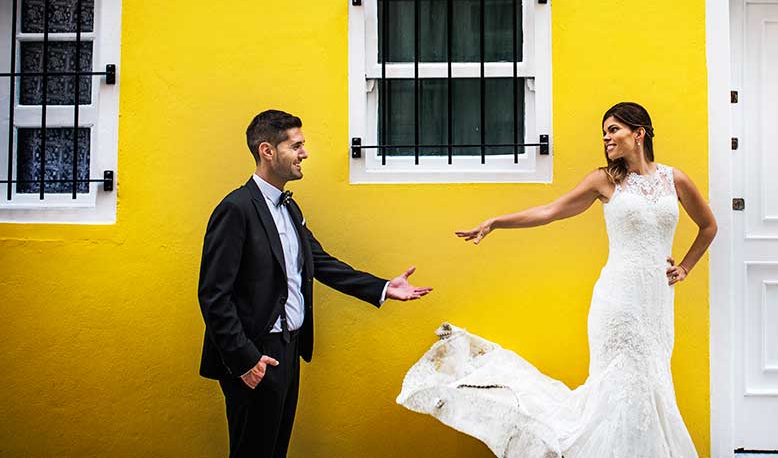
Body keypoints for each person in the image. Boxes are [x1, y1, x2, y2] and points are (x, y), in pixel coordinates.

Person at [397, 102, 716, 458]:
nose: (606, 138)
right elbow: (550, 211)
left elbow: (708, 226)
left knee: (651, 382)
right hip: (618, 302)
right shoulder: (605, 181)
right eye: (604, 132)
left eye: (614, 130)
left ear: (638, 133)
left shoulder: (676, 180)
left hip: (656, 305)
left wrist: (685, 267)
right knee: (625, 383)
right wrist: (497, 222)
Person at [199, 109, 432, 458]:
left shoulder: (289, 209)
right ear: (267, 151)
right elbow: (214, 295)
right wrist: (246, 360)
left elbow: (319, 262)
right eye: (296, 146)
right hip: (256, 353)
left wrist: (383, 287)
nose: (304, 154)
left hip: (288, 350)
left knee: (275, 450)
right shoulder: (236, 209)